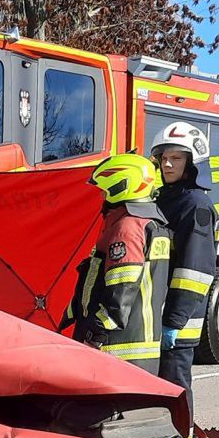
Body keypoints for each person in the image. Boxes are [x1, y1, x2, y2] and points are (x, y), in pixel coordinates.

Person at [149, 120, 219, 438]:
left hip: (180, 320)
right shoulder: (164, 198)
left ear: (192, 163)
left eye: (176, 158)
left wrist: (174, 322)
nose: (167, 165)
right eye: (163, 157)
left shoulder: (196, 205)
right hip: (161, 315)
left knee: (175, 385)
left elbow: (194, 270)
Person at [61, 153, 172, 372]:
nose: (102, 195)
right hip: (139, 348)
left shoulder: (127, 228)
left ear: (121, 187)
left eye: (106, 189)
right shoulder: (150, 225)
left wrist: (94, 336)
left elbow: (121, 293)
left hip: (117, 349)